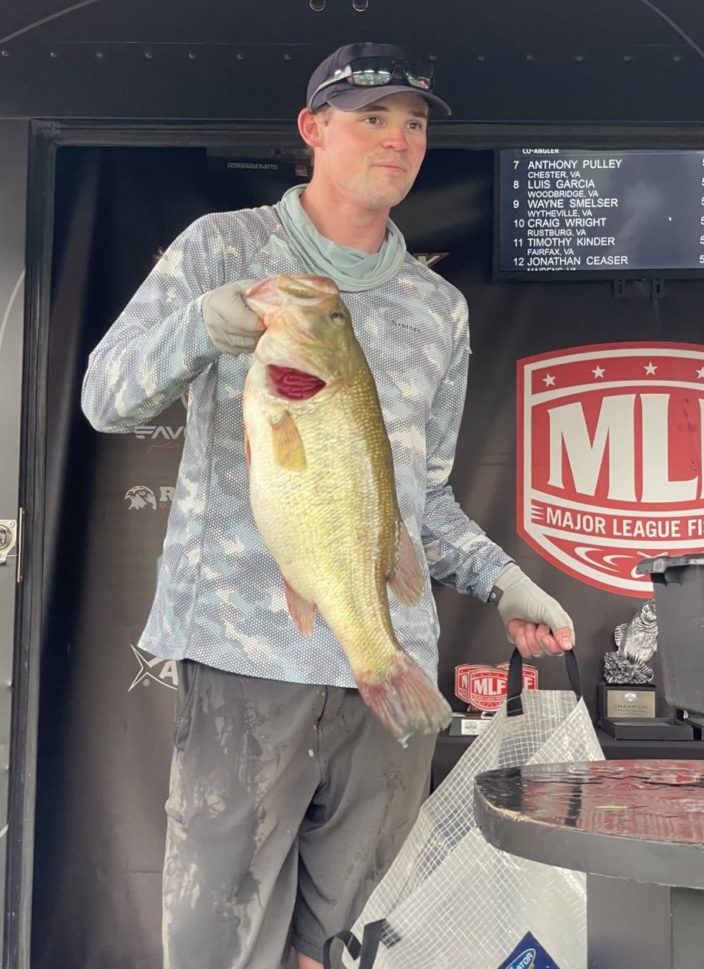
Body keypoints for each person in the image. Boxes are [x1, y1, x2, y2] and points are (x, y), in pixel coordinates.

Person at [81, 41, 574, 969]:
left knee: (347, 947)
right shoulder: (223, 247)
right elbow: (108, 397)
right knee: (217, 946)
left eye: (414, 123)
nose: (398, 139)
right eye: (371, 117)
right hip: (244, 662)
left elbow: (423, 498)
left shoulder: (437, 308)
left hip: (386, 670)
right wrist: (208, 323)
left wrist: (504, 581)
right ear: (312, 128)